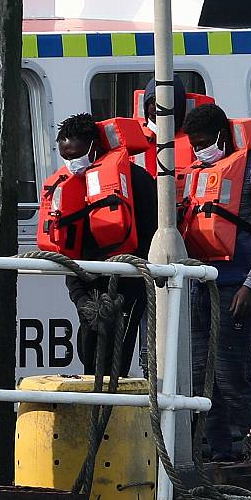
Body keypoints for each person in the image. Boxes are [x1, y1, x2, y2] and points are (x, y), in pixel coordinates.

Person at [182, 103, 251, 462]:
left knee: (231, 379)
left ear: (223, 136)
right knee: (200, 382)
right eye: (194, 144)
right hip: (198, 287)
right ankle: (221, 458)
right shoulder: (194, 173)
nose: (199, 150)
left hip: (237, 288)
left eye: (205, 142)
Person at [58, 113, 157, 377]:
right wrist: (79, 298)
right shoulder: (68, 186)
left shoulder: (137, 181)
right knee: (89, 359)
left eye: (76, 155)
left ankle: (110, 415)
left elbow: (150, 240)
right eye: (65, 157)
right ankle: (94, 414)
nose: (71, 163)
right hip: (87, 290)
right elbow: (68, 251)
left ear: (94, 147)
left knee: (115, 362)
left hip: (127, 288)